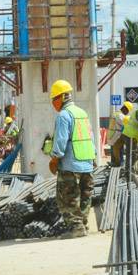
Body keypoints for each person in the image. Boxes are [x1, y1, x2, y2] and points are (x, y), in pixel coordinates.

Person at [45, 79, 96, 238]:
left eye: (53, 100)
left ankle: (76, 227)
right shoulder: (82, 113)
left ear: (60, 98)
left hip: (70, 165)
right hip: (86, 163)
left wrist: (54, 159)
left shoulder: (64, 115)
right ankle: (83, 225)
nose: (53, 104)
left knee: (68, 198)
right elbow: (91, 137)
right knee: (85, 196)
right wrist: (93, 157)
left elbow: (60, 140)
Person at [108, 101, 132, 167]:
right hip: (116, 135)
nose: (127, 113)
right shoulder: (120, 115)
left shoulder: (115, 113)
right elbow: (126, 123)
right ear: (125, 108)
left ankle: (114, 164)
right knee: (118, 151)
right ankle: (119, 165)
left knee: (114, 151)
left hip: (112, 135)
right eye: (128, 111)